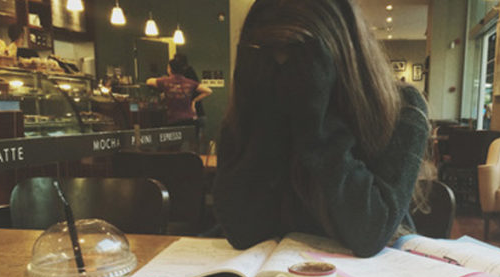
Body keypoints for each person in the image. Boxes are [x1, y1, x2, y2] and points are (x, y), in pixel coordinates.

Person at [213, 0, 431, 257]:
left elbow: (369, 234)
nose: (287, 78)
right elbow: (241, 232)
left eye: (302, 62)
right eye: (273, 63)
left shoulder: (402, 108)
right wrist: (265, 117)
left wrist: (316, 122)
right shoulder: (248, 111)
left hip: (372, 276)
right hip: (278, 272)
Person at [146, 58, 212, 126]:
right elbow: (208, 91)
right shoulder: (190, 82)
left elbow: (149, 81)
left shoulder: (165, 81)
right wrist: (194, 100)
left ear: (169, 69)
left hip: (173, 119)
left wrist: (163, 79)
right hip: (189, 119)